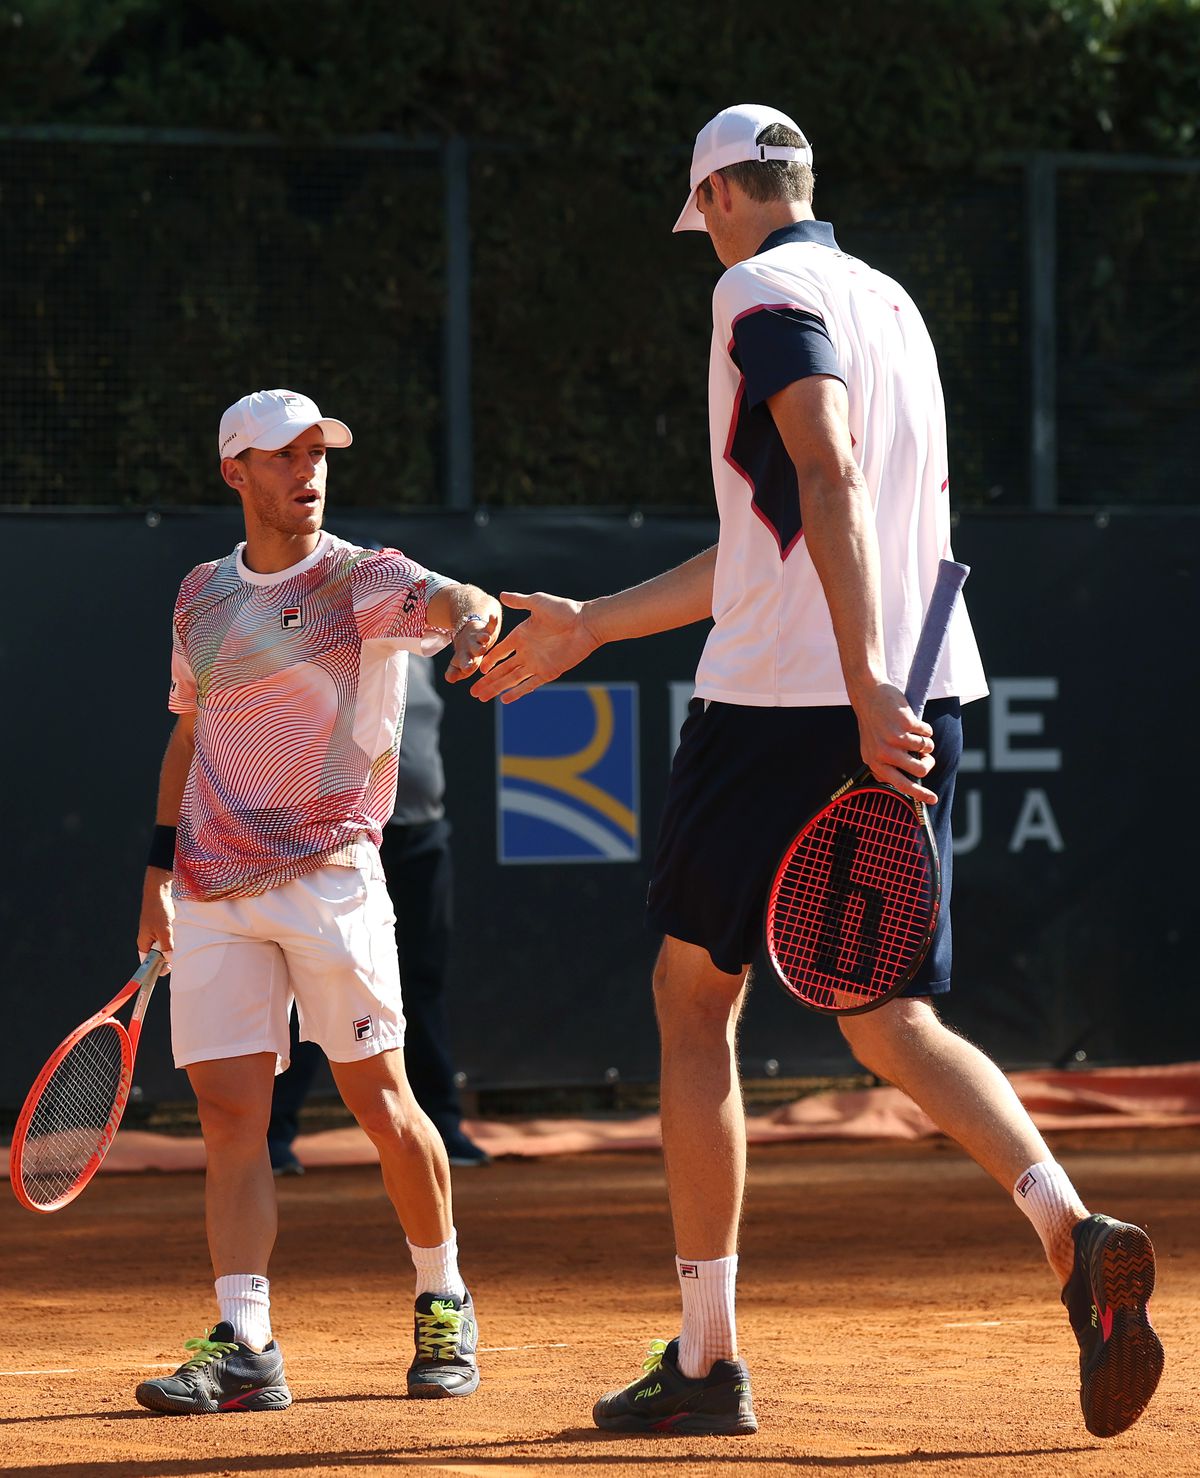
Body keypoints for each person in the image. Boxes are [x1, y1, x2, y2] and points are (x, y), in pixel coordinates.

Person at [469, 105, 1164, 1440]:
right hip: (914, 685)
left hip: (803, 700)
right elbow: (771, 540)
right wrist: (596, 622)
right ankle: (1070, 1231)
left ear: (725, 196)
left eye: (705, 215)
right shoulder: (894, 302)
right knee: (887, 1019)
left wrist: (856, 691)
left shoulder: (757, 285)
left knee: (690, 996)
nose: (707, 240)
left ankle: (707, 1358)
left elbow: (825, 468)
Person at [135, 388, 501, 1415]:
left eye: (317, 453)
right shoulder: (200, 594)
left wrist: (473, 620)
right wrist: (157, 876)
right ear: (234, 472)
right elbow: (188, 734)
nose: (309, 471)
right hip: (210, 881)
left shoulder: (360, 578)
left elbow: (457, 599)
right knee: (228, 1116)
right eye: (282, 456)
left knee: (384, 1103)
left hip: (329, 874)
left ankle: (443, 1297)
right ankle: (245, 1338)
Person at [266, 652, 490, 1174]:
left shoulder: (420, 620)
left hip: (420, 834)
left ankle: (442, 1128)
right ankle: (273, 1135)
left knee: (423, 980)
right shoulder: (325, 617)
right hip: (333, 837)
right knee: (313, 976)